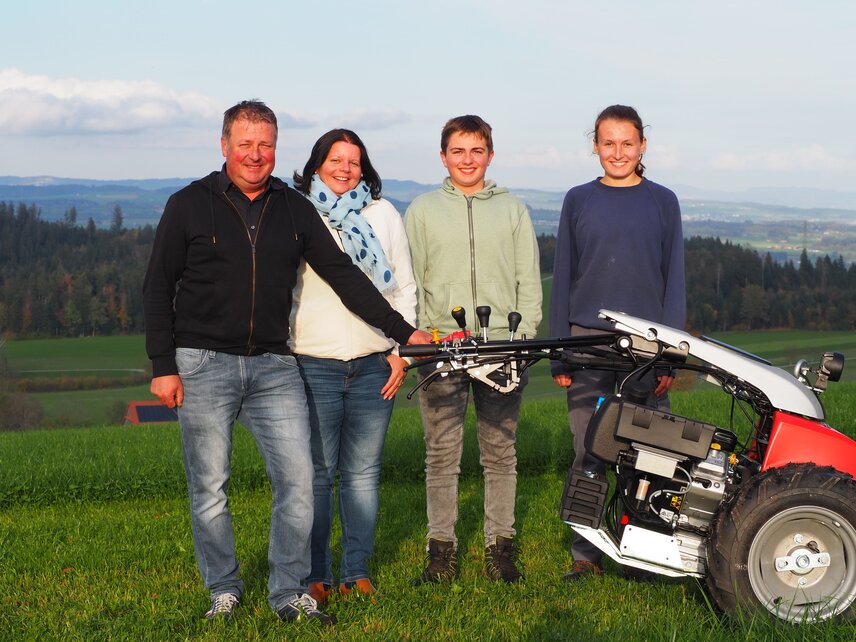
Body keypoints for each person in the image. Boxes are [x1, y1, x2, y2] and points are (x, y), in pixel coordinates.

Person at [142, 100, 432, 625]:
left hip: (276, 364)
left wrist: (404, 332)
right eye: (245, 144)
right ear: (225, 145)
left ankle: (289, 591)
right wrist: (163, 365)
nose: (256, 155)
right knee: (211, 487)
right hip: (203, 362)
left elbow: (345, 277)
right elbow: (158, 287)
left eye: (266, 145)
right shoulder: (188, 203)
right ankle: (224, 589)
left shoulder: (293, 208)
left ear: (277, 147)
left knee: (299, 482)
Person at [549, 104, 686, 581]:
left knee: (649, 452)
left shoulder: (663, 201)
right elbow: (562, 275)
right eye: (609, 143)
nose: (618, 152)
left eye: (628, 143)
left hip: (648, 345)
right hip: (585, 342)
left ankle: (645, 551)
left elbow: (675, 281)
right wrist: (558, 350)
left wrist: (673, 352)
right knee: (588, 448)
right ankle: (585, 555)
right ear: (595, 146)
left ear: (643, 146)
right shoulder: (578, 199)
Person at [405, 115, 542, 584]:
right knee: (441, 455)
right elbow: (414, 280)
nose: (468, 159)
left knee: (500, 452)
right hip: (443, 347)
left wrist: (523, 342)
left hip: (502, 345)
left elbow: (529, 280)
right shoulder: (422, 210)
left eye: (477, 150)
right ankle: (440, 552)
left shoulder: (513, 210)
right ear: (443, 156)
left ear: (490, 154)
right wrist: (418, 336)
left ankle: (499, 548)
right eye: (458, 151)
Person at [289, 129, 417, 605]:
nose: (345, 169)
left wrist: (401, 353)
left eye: (354, 161)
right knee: (318, 475)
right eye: (335, 159)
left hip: (373, 364)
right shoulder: (298, 213)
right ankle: (315, 574)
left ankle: (356, 570)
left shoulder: (382, 215)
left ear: (365, 169)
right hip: (314, 362)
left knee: (363, 473)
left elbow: (404, 287)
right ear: (317, 164)